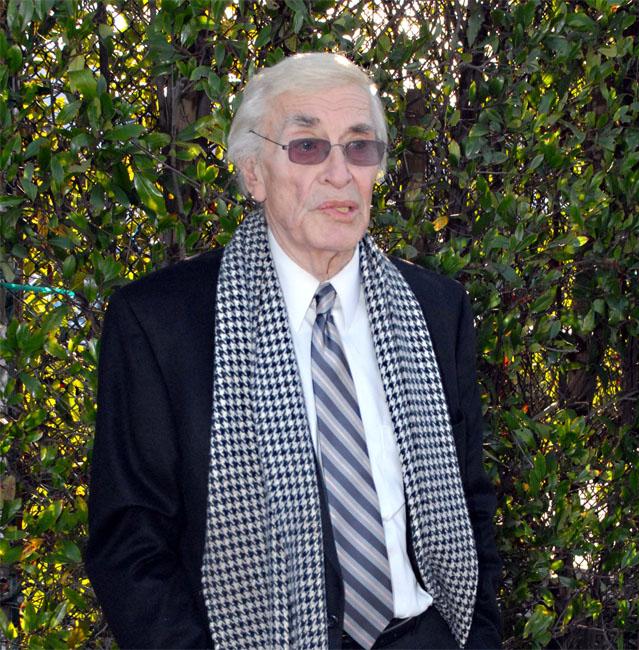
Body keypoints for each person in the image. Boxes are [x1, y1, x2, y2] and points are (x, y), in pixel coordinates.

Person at [85, 52, 501, 649]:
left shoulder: (435, 309)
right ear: (254, 173)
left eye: (359, 147)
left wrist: (477, 637)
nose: (340, 173)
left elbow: (469, 501)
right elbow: (131, 543)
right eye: (308, 146)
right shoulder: (161, 323)